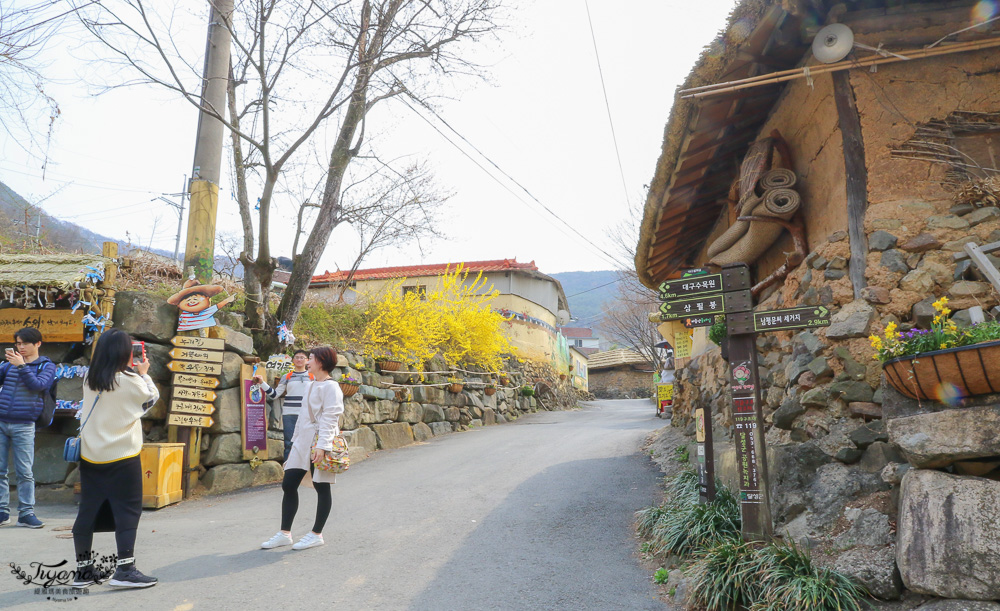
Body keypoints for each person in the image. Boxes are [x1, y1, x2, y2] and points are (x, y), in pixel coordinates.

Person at [71, 328, 160, 589]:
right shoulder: (129, 380)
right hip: (123, 455)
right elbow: (151, 399)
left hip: (91, 455)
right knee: (127, 512)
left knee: (87, 510)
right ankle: (125, 569)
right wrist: (144, 374)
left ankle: (83, 571)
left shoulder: (91, 378)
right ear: (124, 353)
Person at [257, 346, 343, 551]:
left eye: (311, 358)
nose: (307, 361)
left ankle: (316, 534)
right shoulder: (312, 385)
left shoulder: (332, 387)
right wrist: (295, 443)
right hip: (303, 441)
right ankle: (285, 533)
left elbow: (331, 419)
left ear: (321, 362)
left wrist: (322, 447)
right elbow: (304, 416)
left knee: (321, 487)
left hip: (319, 442)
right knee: (288, 483)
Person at [0, 327, 56, 529]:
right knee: (0, 470)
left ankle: (26, 513)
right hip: (1, 421)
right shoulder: (9, 365)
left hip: (24, 424)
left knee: (24, 471)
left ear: (38, 344)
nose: (20, 347)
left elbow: (38, 386)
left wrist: (22, 366)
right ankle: (2, 512)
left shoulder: (47, 366)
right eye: (17, 343)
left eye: (24, 343)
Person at [264, 350, 313, 462]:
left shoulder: (312, 377)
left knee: (308, 443)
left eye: (302, 357)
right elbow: (275, 395)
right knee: (289, 443)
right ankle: (287, 471)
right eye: (297, 357)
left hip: (307, 413)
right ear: (292, 360)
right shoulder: (287, 376)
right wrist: (262, 383)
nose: (299, 360)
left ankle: (307, 473)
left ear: (307, 360)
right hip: (289, 413)